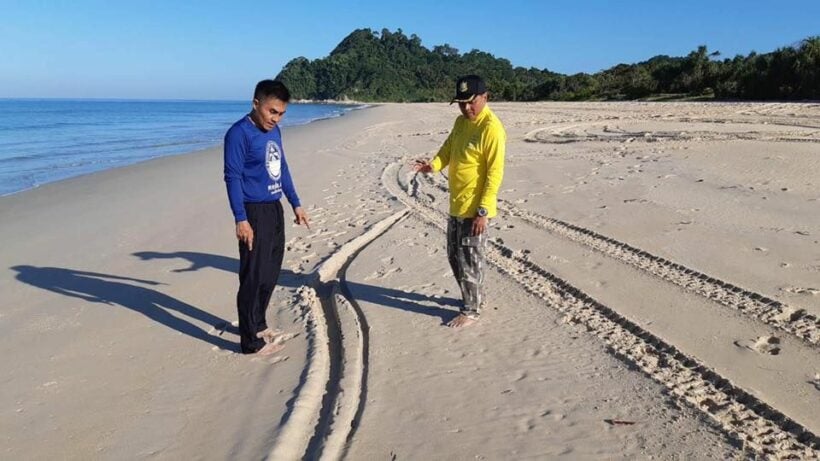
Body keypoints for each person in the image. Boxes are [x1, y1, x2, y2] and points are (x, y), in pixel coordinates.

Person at [224, 80, 310, 354]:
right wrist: (241, 218)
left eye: (281, 113)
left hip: (274, 208)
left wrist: (295, 202)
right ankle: (250, 341)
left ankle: (258, 324)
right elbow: (232, 177)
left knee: (270, 273)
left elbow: (281, 167)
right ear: (256, 104)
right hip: (252, 211)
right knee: (252, 275)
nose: (276, 118)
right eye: (272, 111)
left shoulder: (275, 132)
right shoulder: (239, 134)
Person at [414, 75, 506, 328]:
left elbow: (494, 173)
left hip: (475, 209)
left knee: (470, 260)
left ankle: (472, 309)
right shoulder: (460, 122)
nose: (466, 108)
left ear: (485, 97)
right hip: (456, 204)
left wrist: (483, 211)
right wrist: (432, 165)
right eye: (461, 103)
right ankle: (474, 298)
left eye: (471, 102)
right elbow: (448, 149)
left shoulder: (492, 129)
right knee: (454, 257)